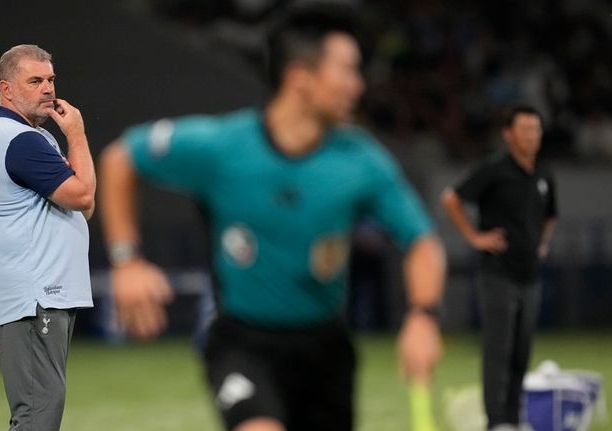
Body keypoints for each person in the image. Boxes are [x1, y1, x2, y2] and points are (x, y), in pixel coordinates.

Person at [99, 3, 446, 430]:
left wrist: (422, 317)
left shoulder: (363, 162)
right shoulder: (224, 147)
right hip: (242, 342)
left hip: (326, 351)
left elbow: (421, 243)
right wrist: (127, 260)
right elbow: (120, 158)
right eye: (348, 71)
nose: (358, 86)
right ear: (300, 77)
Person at [0, 44, 95, 431]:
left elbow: (83, 204)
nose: (48, 89)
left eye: (51, 80)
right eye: (35, 80)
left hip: (42, 292)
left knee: (41, 408)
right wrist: (77, 133)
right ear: (7, 89)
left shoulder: (28, 137)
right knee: (37, 413)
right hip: (34, 295)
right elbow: (86, 195)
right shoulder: (19, 141)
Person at [440, 104, 558, 431]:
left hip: (530, 276)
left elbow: (551, 214)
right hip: (498, 273)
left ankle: (514, 416)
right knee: (498, 348)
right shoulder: (495, 169)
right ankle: (496, 421)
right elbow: (451, 198)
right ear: (508, 134)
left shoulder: (543, 173)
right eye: (524, 129)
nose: (532, 136)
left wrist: (543, 243)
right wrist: (474, 237)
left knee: (522, 348)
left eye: (536, 129)